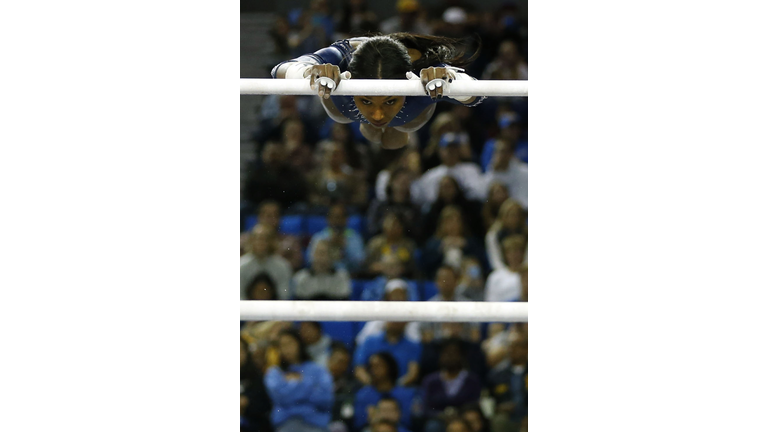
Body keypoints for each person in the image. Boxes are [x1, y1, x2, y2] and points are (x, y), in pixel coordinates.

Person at [272, 33, 485, 149]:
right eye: (367, 100)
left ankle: (378, 112)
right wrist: (309, 71)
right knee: (377, 131)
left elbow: (476, 95)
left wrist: (450, 80)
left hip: (408, 115)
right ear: (351, 76)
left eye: (390, 100)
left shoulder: (425, 68)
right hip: (348, 109)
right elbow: (279, 70)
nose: (378, 114)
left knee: (395, 138)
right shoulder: (342, 55)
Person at [264, 328, 335, 432]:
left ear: (299, 343)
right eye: (282, 345)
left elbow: (326, 399)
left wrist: (294, 384)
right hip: (287, 424)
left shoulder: (318, 369)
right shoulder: (274, 372)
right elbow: (281, 398)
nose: (286, 349)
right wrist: (308, 386)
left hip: (316, 424)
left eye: (289, 343)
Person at [421, 339, 483, 432]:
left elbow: (475, 405)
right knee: (433, 426)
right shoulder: (430, 381)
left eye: (454, 353)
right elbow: (425, 408)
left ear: (462, 356)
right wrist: (441, 415)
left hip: (465, 420)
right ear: (440, 356)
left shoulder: (472, 380)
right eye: (446, 353)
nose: (450, 357)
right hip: (439, 421)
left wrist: (459, 416)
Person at [354, 352, 418, 431]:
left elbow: (409, 421)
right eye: (371, 366)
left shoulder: (407, 394)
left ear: (389, 367)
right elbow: (359, 423)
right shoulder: (363, 394)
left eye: (378, 366)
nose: (374, 370)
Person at [353, 322, 422, 387]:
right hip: (372, 387)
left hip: (401, 389)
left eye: (400, 319)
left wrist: (392, 387)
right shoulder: (370, 341)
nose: (396, 322)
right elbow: (359, 369)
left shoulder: (413, 346)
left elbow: (413, 373)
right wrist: (373, 385)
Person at [307, 202, 366, 275]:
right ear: (328, 219)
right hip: (324, 275)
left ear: (346, 219)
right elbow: (309, 260)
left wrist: (345, 248)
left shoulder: (355, 237)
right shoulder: (319, 237)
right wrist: (327, 247)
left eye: (340, 217)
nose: (337, 221)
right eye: (334, 217)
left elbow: (360, 264)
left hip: (349, 276)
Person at [240, 224, 294, 300]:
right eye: (257, 238)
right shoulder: (241, 265)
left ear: (272, 242)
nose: (260, 242)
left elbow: (284, 295)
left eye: (264, 239)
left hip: (275, 309)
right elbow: (239, 296)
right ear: (251, 241)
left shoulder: (283, 266)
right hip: (246, 309)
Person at [484, 235, 525, 303]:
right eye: (511, 252)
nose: (514, 255)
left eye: (517, 252)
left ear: (522, 253)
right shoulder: (495, 277)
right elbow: (490, 301)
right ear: (505, 254)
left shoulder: (527, 275)